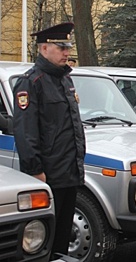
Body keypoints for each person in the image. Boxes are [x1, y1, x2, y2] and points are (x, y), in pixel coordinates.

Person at [13, 23, 86, 256]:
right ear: (44, 48)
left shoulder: (65, 80)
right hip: (48, 175)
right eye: (61, 47)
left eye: (68, 47)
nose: (67, 52)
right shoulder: (31, 82)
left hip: (69, 172)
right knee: (42, 241)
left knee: (62, 239)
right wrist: (35, 171)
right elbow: (25, 132)